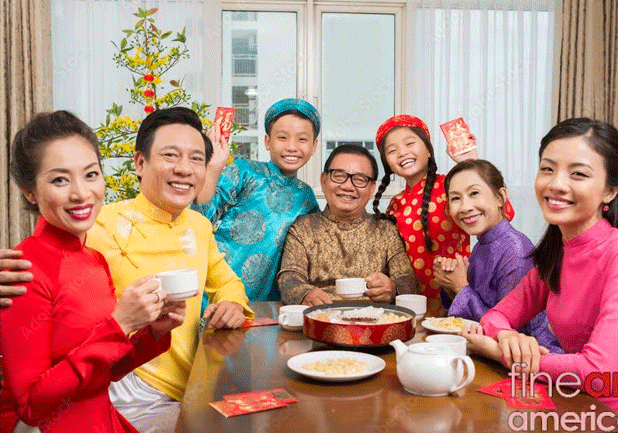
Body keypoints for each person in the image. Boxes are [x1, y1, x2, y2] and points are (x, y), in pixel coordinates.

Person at [0, 110, 183, 433]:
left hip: (101, 421)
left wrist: (153, 332)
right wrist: (120, 324)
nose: (81, 193)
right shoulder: (22, 270)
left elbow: (105, 371)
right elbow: (30, 406)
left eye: (90, 174)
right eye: (59, 180)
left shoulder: (94, 260)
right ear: (30, 192)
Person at [85, 107, 254, 432]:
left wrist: (232, 304)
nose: (184, 169)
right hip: (129, 387)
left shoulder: (199, 226)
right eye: (170, 155)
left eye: (196, 159)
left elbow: (228, 282)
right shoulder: (101, 226)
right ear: (140, 163)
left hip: (193, 382)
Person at [475, 118, 618, 416]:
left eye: (578, 174)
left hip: (614, 414)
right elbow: (496, 316)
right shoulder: (556, 253)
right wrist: (508, 337)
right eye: (547, 169)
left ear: (611, 190)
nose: (556, 184)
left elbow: (599, 373)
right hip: (566, 398)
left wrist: (501, 353)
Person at [372, 114, 516, 317]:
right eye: (392, 151)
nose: (402, 153)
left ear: (428, 150)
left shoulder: (451, 187)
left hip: (457, 296)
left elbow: (503, 213)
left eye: (410, 143)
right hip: (411, 307)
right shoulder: (395, 204)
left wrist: (470, 163)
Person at [193, 98, 320, 305]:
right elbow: (201, 216)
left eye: (302, 139)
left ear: (314, 146)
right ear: (267, 141)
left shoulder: (306, 197)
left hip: (267, 303)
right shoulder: (245, 171)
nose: (292, 147)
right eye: (282, 137)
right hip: (216, 290)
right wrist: (214, 167)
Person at [433, 159, 561, 353]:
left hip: (532, 358)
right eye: (456, 198)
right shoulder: (482, 243)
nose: (465, 207)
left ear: (500, 198)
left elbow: (511, 332)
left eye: (474, 193)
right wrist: (449, 282)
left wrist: (461, 286)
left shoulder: (515, 251)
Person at [278, 144, 419, 306]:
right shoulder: (303, 228)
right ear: (323, 181)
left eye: (359, 179)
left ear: (372, 188)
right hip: (321, 314)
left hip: (375, 317)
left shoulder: (386, 229)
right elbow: (289, 276)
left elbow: (408, 280)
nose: (348, 186)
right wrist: (304, 293)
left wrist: (393, 288)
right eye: (339, 176)